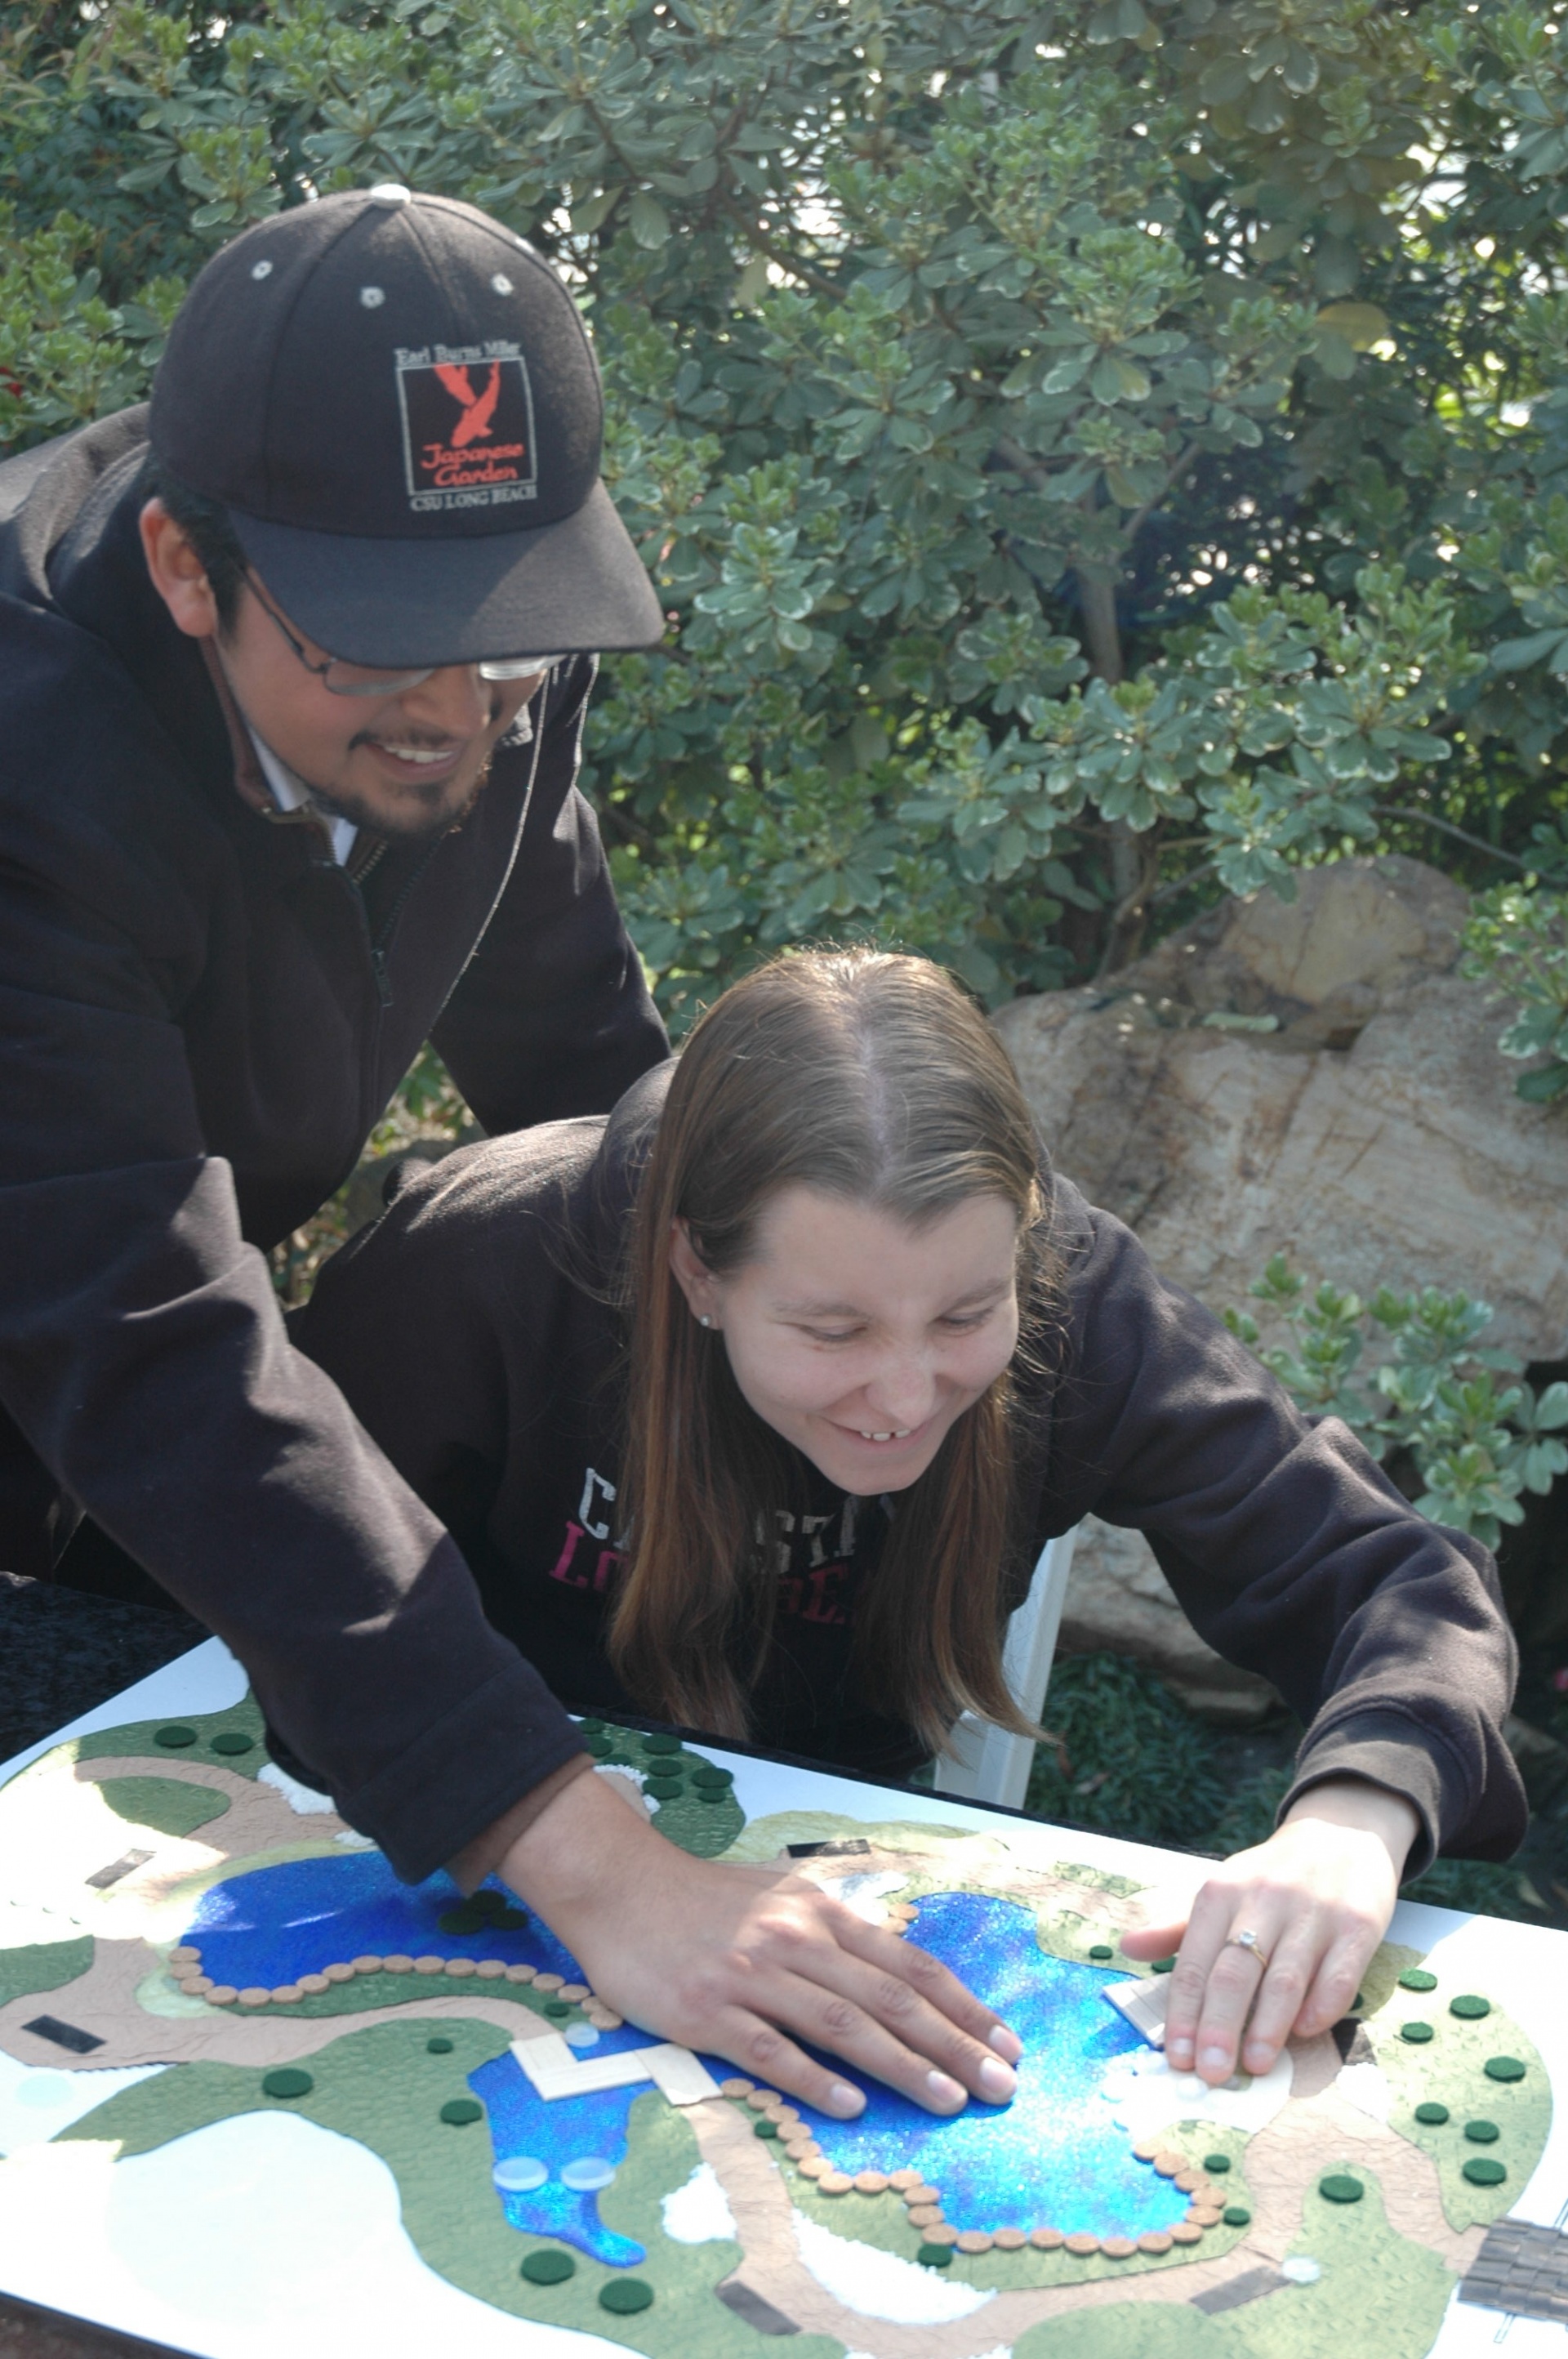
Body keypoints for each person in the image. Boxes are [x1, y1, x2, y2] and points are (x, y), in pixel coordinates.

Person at [294, 947, 1526, 2120]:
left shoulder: (1080, 1300)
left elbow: (1398, 1582)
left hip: (843, 1890)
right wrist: (594, 1869)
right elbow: (279, 1587)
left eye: (966, 1315)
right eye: (832, 1331)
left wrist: (1353, 1822)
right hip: (437, 1844)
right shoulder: (485, 1259)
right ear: (696, 1270)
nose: (902, 1397)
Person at [0, 191, 670, 1902]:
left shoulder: (479, 690)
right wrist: (568, 1841)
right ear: (182, 566)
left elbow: (577, 1052)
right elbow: (145, 1331)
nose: (458, 710)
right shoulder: (29, 775)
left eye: (509, 623)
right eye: (374, 634)